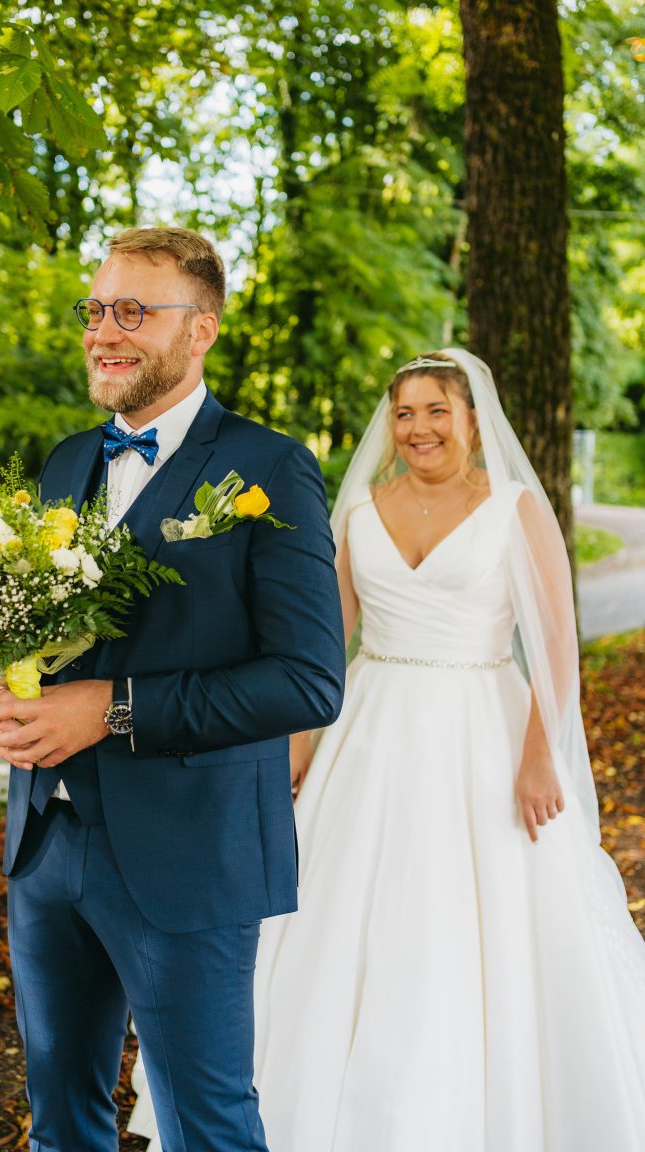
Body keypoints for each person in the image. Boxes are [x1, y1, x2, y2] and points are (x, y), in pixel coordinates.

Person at [131, 349, 645, 1152]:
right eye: (405, 413)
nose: (419, 428)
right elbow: (321, 645)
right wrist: (298, 750)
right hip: (368, 728)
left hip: (483, 725)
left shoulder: (516, 509)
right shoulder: (361, 512)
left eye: (437, 410)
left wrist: (542, 755)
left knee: (480, 915)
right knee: (332, 907)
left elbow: (554, 642)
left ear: (473, 420)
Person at [0, 225, 345, 1152]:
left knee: (206, 1125)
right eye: (96, 309)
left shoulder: (270, 467)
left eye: (134, 311)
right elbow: (38, 627)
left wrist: (113, 708)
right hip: (45, 843)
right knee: (60, 1119)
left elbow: (307, 681)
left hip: (190, 854)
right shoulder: (66, 461)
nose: (106, 329)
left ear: (202, 330)